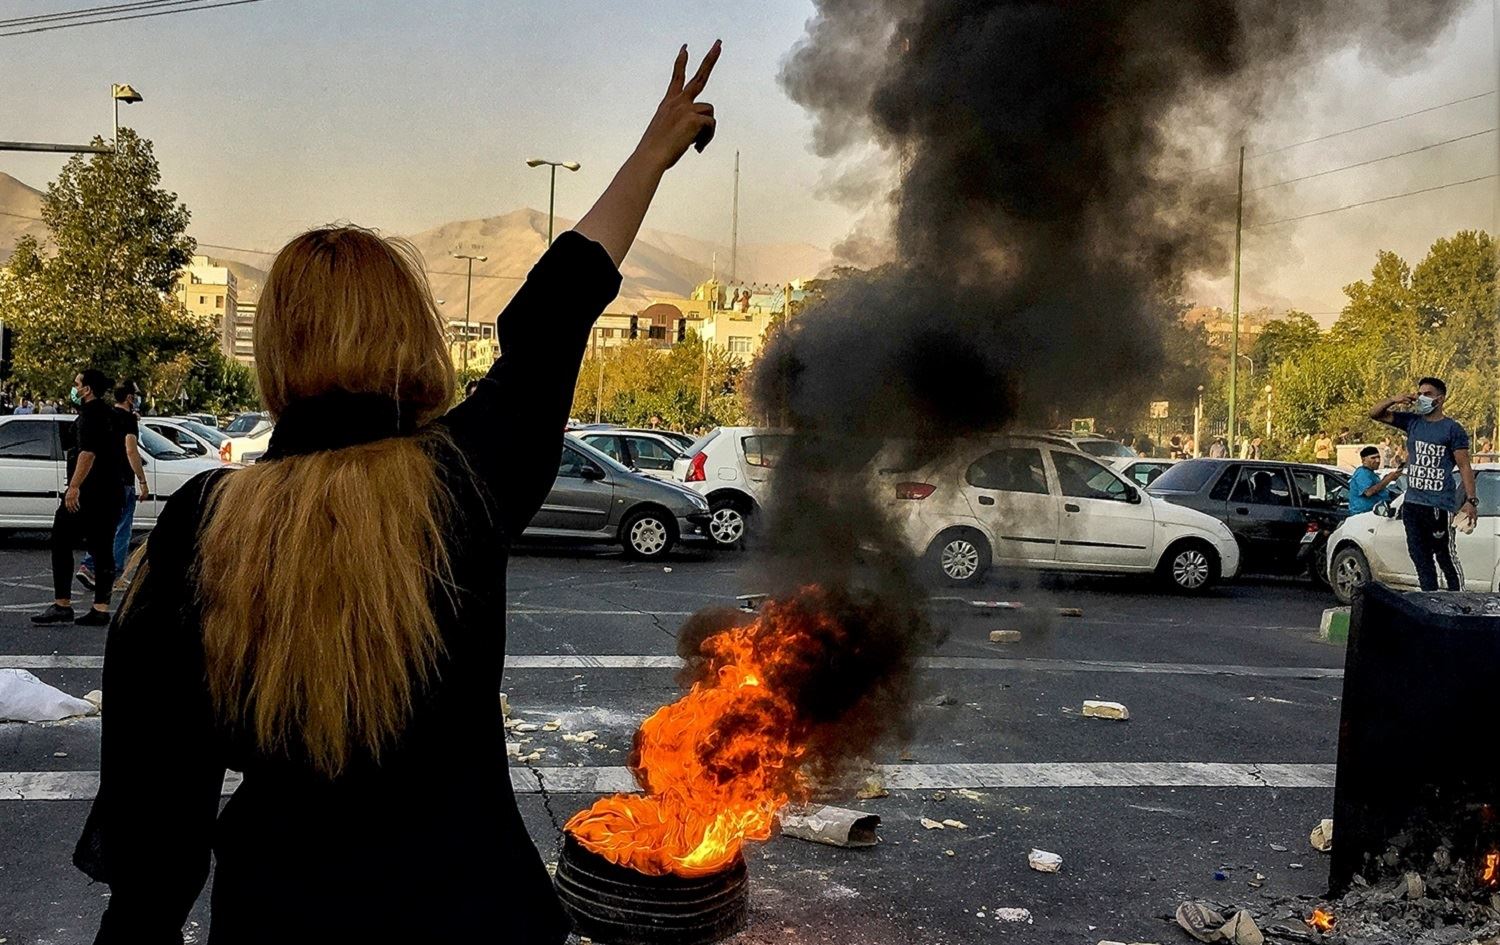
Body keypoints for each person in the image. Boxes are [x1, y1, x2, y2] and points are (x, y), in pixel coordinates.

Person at [73, 41, 720, 943]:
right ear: (411, 332)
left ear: (276, 349)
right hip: (476, 918)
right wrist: (651, 154)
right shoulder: (465, 478)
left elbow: (155, 835)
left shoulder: (201, 527)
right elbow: (554, 313)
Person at [31, 370, 127, 626]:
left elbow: (88, 453)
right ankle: (100, 608)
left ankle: (62, 604)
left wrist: (74, 487)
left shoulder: (90, 416)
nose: (73, 388)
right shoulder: (111, 414)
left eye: (77, 384)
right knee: (103, 547)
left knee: (61, 540)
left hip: (90, 493)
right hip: (111, 492)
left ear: (87, 389)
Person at [1370, 376, 1478, 592]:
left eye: (1427, 394)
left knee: (1445, 555)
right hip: (1413, 504)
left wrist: (1471, 500)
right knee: (1419, 556)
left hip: (1438, 505)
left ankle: (1459, 599)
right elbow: (1375, 414)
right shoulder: (1412, 422)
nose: (1422, 398)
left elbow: (1465, 466)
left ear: (1440, 399)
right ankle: (1429, 597)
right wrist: (1394, 399)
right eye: (1419, 394)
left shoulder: (1452, 429)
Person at [77, 384, 151, 592]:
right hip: (123, 480)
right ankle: (114, 575)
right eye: (135, 396)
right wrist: (142, 480)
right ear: (129, 398)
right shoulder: (128, 420)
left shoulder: (107, 415)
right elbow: (131, 450)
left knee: (104, 527)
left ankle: (89, 565)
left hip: (104, 478)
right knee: (122, 529)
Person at [1348, 445, 1402, 515]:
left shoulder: (1371, 473)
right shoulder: (1362, 473)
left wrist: (1389, 478)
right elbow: (1368, 492)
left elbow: (1379, 488)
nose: (1378, 461)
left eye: (1378, 457)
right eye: (1373, 458)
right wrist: (1387, 479)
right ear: (1364, 460)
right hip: (1365, 514)